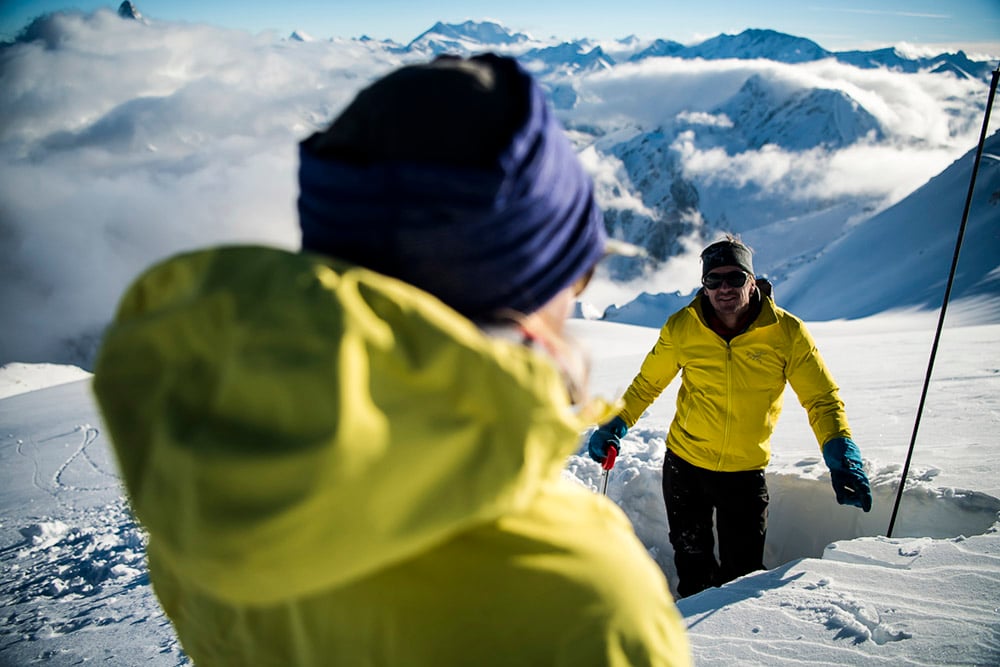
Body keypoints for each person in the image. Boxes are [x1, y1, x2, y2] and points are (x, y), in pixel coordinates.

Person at [93, 54, 690, 666]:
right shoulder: (586, 596)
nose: (578, 299)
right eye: (574, 273)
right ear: (521, 291)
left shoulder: (217, 483)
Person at [588, 235, 872, 599]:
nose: (724, 288)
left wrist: (841, 452)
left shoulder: (787, 333)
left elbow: (821, 399)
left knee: (743, 576)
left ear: (752, 281)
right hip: (685, 467)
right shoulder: (682, 328)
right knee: (693, 569)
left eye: (735, 278)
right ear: (704, 286)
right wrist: (615, 423)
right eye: (714, 279)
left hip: (744, 474)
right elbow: (646, 385)